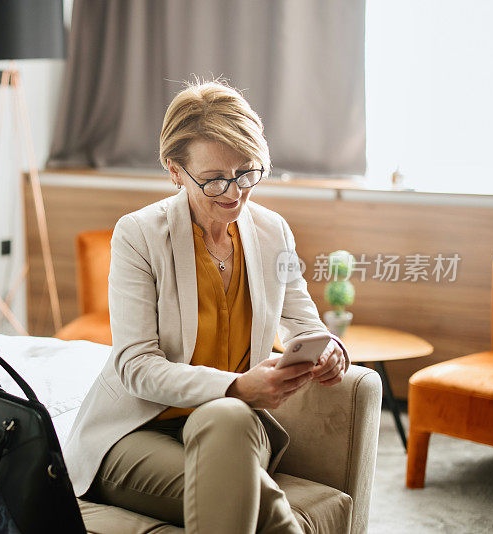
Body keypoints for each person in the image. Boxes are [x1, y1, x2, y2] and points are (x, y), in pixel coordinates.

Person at [61, 79, 350, 533]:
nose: (234, 192)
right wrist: (238, 387)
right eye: (215, 179)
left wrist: (329, 351)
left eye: (246, 172)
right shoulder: (138, 234)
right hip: (136, 432)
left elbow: (302, 320)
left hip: (230, 429)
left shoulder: (274, 232)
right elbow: (135, 365)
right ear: (176, 171)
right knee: (249, 474)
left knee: (230, 418)